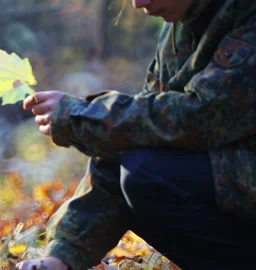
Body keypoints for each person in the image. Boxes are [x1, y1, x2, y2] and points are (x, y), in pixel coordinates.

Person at [16, 0, 256, 269]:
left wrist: (85, 116)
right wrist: (64, 255)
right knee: (136, 160)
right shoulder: (180, 24)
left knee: (145, 173)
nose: (138, 3)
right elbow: (140, 133)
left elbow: (202, 117)